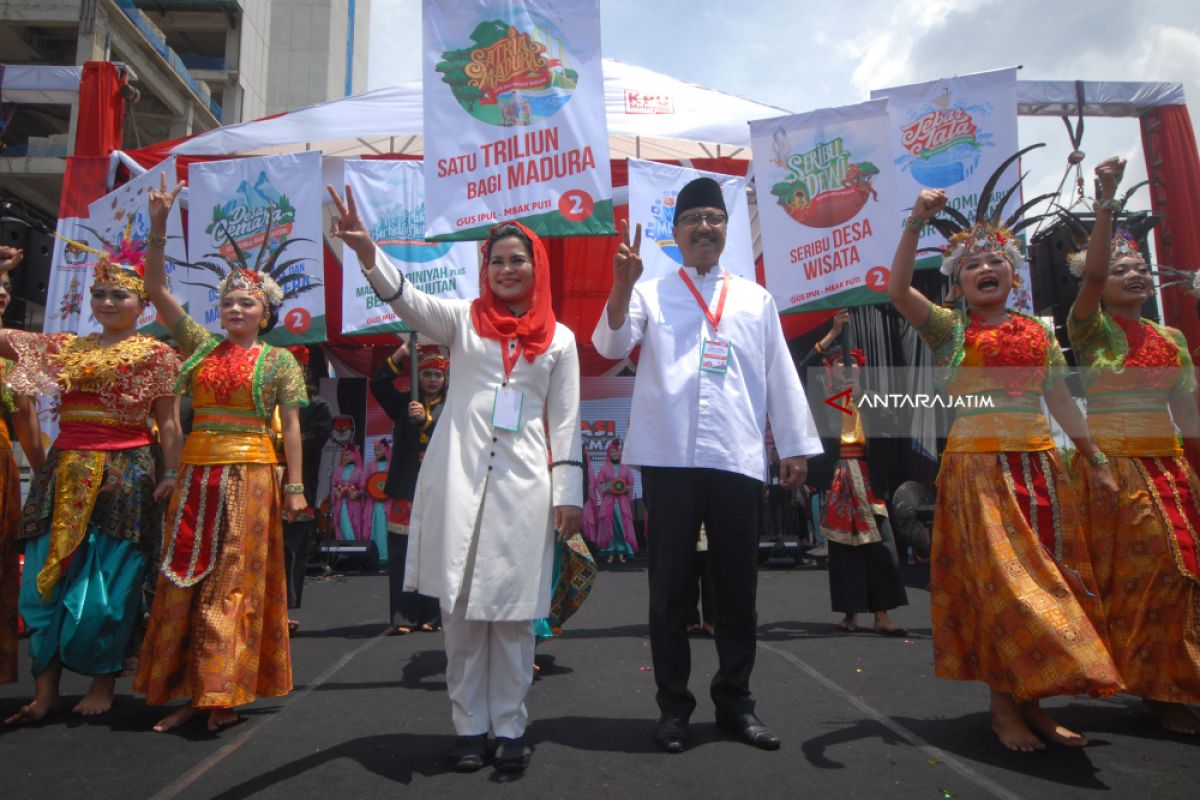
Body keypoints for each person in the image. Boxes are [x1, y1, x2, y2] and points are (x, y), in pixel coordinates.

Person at [329, 183, 583, 774]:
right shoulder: (464, 323)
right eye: (496, 261)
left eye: (518, 260)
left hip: (525, 488)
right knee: (462, 616)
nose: (507, 269)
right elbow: (407, 301)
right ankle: (470, 727)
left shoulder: (561, 340)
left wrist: (568, 494)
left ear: (535, 266)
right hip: (459, 482)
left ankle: (512, 727)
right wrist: (368, 253)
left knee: (515, 617)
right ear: (484, 268)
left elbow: (566, 421)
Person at [885, 152, 1124, 752]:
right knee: (1002, 588)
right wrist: (915, 219)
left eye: (997, 260)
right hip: (979, 473)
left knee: (1047, 585)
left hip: (1040, 468)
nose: (986, 268)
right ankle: (1002, 709)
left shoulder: (1040, 332)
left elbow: (1063, 402)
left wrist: (1094, 461)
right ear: (958, 282)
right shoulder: (949, 330)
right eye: (973, 264)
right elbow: (895, 289)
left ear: (1014, 275)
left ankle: (1034, 702)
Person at [592, 177, 822, 753]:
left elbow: (779, 375)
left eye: (713, 218)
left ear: (726, 230)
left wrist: (792, 445)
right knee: (668, 592)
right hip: (669, 459)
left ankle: (736, 706)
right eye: (691, 218)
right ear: (675, 234)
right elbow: (612, 346)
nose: (703, 227)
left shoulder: (754, 298)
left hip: (736, 459)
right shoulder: (651, 292)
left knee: (737, 590)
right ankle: (673, 708)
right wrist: (621, 288)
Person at [133, 177, 308, 734]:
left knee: (233, 581)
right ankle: (190, 689)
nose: (234, 307)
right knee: (185, 580)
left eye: (246, 301)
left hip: (253, 473)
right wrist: (159, 227)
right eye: (228, 300)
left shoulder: (279, 363)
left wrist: (297, 486)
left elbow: (295, 431)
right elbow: (156, 289)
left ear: (265, 313)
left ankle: (221, 692)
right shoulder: (200, 345)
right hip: (196, 475)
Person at [0, 236, 180, 725]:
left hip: (126, 471)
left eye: (118, 295)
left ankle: (103, 683)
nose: (106, 302)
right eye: (99, 294)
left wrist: (170, 472)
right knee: (42, 583)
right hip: (63, 471)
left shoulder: (156, 354)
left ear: (143, 305)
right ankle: (45, 692)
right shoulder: (64, 346)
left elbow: (168, 424)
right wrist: (1, 279)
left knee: (110, 584)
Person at [1066, 156, 1200, 734]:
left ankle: (1171, 681)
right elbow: (1092, 278)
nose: (1135, 274)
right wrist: (1106, 199)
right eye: (1123, 269)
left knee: (1184, 574)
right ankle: (1162, 690)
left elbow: (1188, 414)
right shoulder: (1088, 326)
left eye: (1141, 267)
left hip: (1170, 468)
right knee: (1150, 575)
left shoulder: (1171, 338)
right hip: (1113, 468)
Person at [815, 346, 908, 635]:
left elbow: (892, 426)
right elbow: (823, 427)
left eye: (853, 362)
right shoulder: (826, 398)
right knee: (843, 548)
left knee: (881, 546)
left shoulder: (871, 397)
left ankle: (882, 614)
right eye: (841, 362)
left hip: (868, 477)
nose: (847, 366)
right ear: (830, 368)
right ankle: (849, 613)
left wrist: (863, 398)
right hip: (840, 475)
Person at [369, 341, 447, 635]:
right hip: (406, 487)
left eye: (437, 375)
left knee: (435, 551)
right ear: (418, 377)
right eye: (426, 374)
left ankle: (433, 614)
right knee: (402, 550)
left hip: (439, 486)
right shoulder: (402, 403)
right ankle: (403, 615)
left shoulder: (453, 405)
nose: (432, 380)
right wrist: (402, 352)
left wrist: (425, 420)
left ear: (444, 378)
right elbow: (378, 383)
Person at [0, 249, 45, 689]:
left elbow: (27, 419)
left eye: (6, 288)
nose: (1, 293)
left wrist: (44, 472)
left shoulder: (12, 353)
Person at [281, 349, 332, 624]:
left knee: (293, 545)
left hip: (299, 484)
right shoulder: (264, 401)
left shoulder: (317, 404)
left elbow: (317, 438)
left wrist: (284, 440)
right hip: (262, 478)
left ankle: (286, 609)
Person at [594, 439, 637, 564]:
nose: (614, 454)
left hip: (622, 502)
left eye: (616, 452)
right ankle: (610, 551)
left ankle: (622, 551)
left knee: (623, 526)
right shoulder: (604, 468)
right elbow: (599, 483)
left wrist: (624, 488)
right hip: (609, 502)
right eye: (612, 452)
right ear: (609, 454)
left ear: (620, 453)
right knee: (609, 526)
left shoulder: (625, 468)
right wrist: (608, 488)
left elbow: (631, 483)